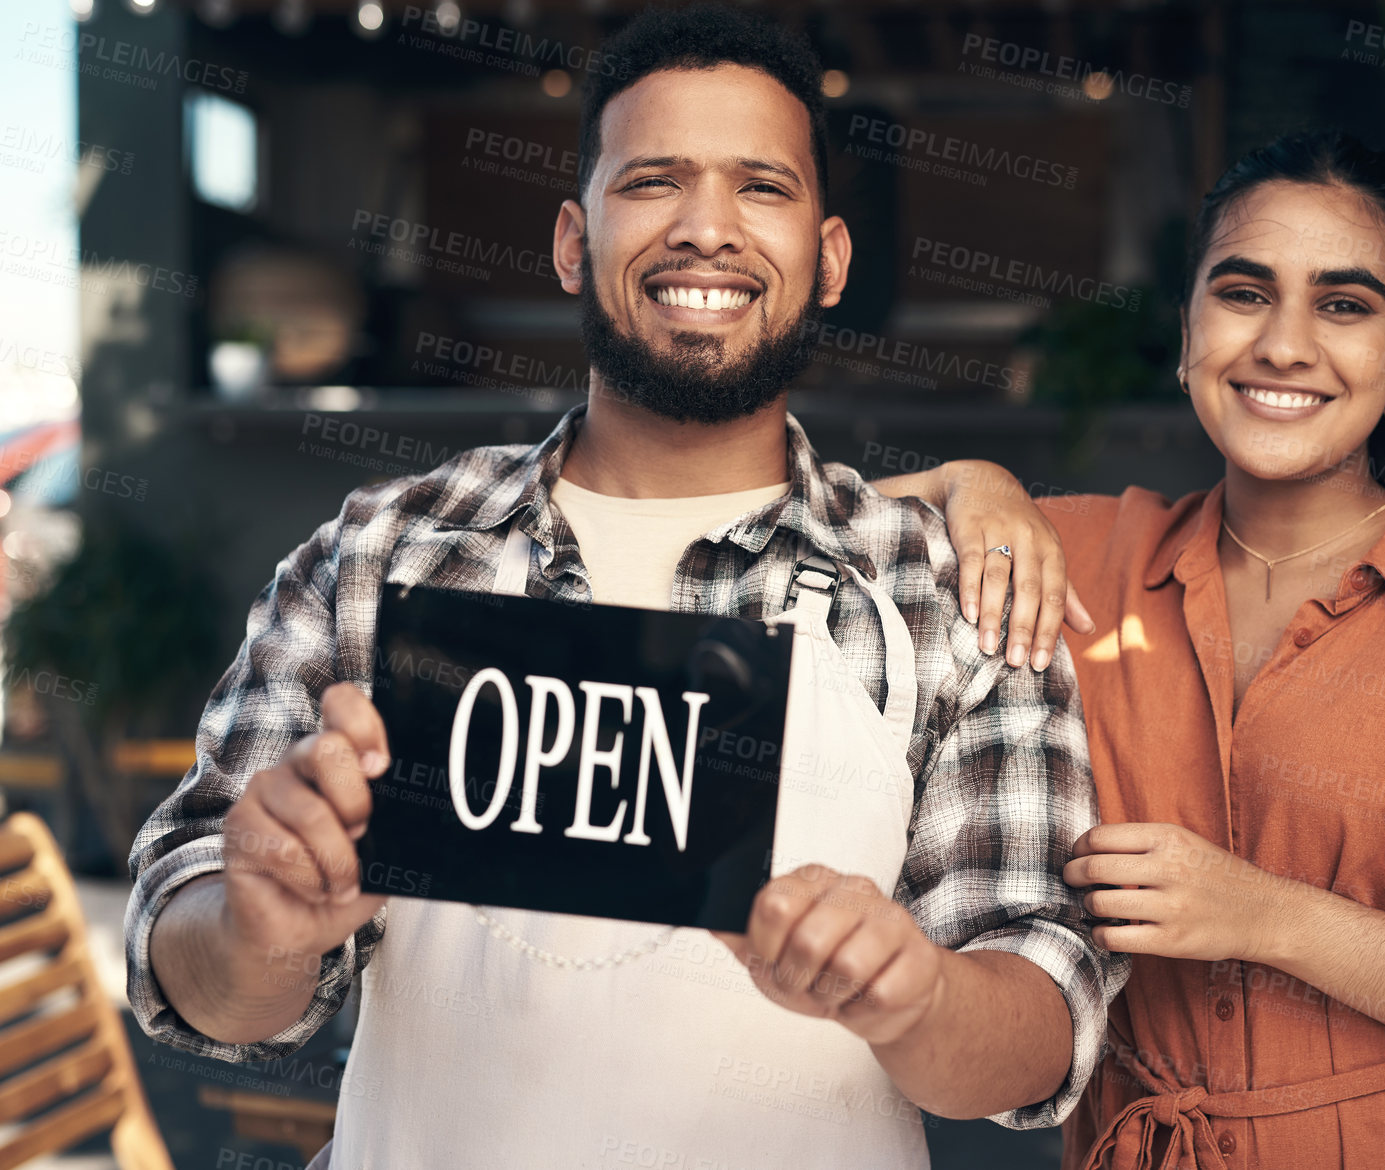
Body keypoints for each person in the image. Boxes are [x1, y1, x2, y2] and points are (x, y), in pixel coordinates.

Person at [123, 8, 1126, 1168]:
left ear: (832, 258)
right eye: (653, 180)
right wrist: (257, 932)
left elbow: (1044, 1024)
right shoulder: (379, 553)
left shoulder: (946, 592)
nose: (706, 228)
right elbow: (197, 968)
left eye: (761, 187)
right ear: (569, 240)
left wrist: (919, 1000)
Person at [877, 129, 1385, 1169]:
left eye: (1344, 304)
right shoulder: (1074, 560)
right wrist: (969, 481)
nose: (1281, 344)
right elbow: (790, 524)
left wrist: (1267, 917)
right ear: (1186, 331)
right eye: (1242, 291)